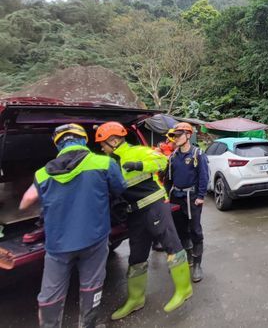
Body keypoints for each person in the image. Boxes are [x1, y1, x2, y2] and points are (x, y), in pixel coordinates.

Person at [19, 123, 127, 328]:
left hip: (58, 245)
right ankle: (88, 324)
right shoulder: (103, 163)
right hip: (94, 239)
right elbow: (120, 187)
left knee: (51, 293)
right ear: (84, 140)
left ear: (58, 145)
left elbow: (26, 201)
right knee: (92, 284)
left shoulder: (42, 173)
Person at [94, 122, 192, 320]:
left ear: (113, 141)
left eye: (102, 143)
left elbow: (162, 162)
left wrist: (140, 165)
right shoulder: (106, 161)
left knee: (171, 245)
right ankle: (135, 299)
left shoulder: (137, 151)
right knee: (136, 256)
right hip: (134, 213)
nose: (101, 147)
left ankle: (184, 288)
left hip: (154, 205)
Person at [163, 122, 209, 283]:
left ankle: (197, 265)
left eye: (179, 135)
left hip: (192, 198)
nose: (176, 138)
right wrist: (166, 195)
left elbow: (204, 176)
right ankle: (188, 257)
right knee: (180, 230)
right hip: (176, 197)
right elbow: (167, 177)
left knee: (195, 230)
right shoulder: (173, 156)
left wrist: (201, 196)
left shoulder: (198, 154)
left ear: (188, 135)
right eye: (174, 135)